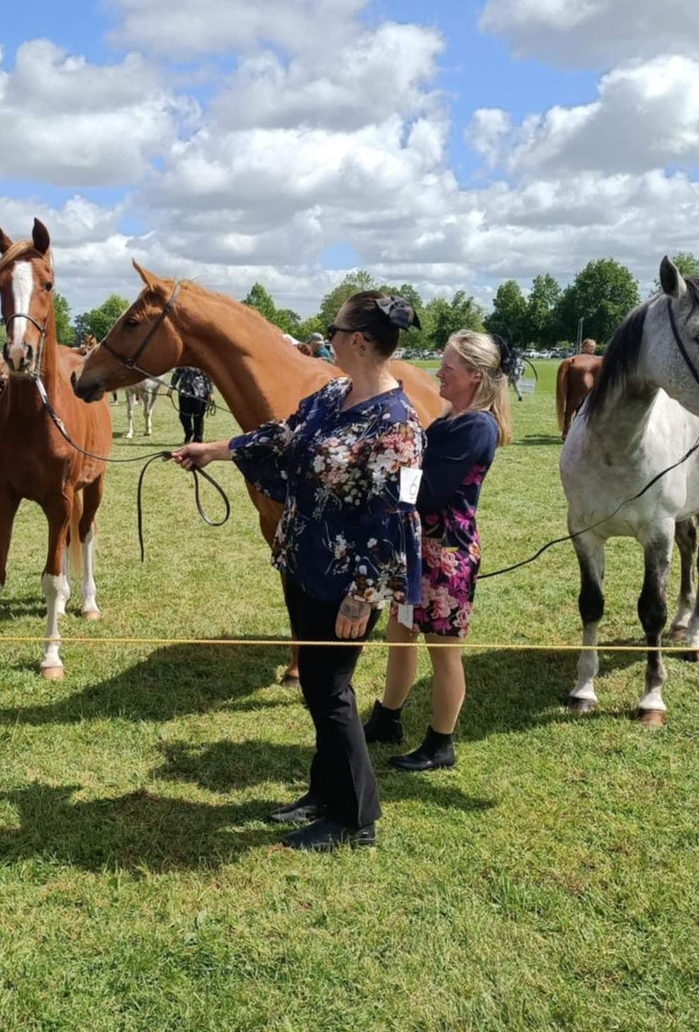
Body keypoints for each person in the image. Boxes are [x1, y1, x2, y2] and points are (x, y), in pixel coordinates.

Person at [172, 291, 423, 851]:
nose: (327, 337)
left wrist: (362, 595)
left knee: (330, 690)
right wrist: (217, 448)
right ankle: (323, 791)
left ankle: (357, 818)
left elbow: (394, 516)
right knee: (316, 684)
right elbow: (283, 435)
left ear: (358, 340)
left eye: (334, 329)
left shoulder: (398, 426)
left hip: (346, 585)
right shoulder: (333, 393)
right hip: (303, 559)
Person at [362, 330, 512, 770]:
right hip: (418, 548)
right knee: (400, 635)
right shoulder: (451, 419)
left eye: (447, 367)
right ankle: (388, 717)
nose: (438, 373)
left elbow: (430, 492)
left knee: (444, 652)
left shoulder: (476, 426)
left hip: (446, 555)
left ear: (474, 375)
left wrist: (392, 472)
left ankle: (440, 744)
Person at [170, 365, 215, 443]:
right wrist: (171, 387)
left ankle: (198, 439)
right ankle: (189, 432)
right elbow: (177, 373)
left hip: (200, 393)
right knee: (183, 416)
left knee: (198, 417)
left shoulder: (202, 361)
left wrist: (211, 392)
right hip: (184, 393)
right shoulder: (183, 361)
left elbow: (209, 377)